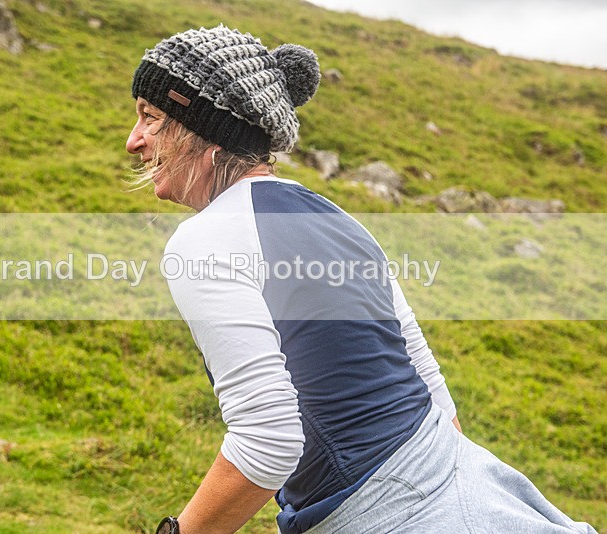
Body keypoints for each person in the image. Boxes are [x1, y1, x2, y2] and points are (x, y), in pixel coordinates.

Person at [126, 25, 597, 534]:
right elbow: (432, 389)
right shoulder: (340, 219)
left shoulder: (205, 239)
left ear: (202, 127)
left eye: (151, 117)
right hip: (478, 487)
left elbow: (269, 442)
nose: (134, 141)